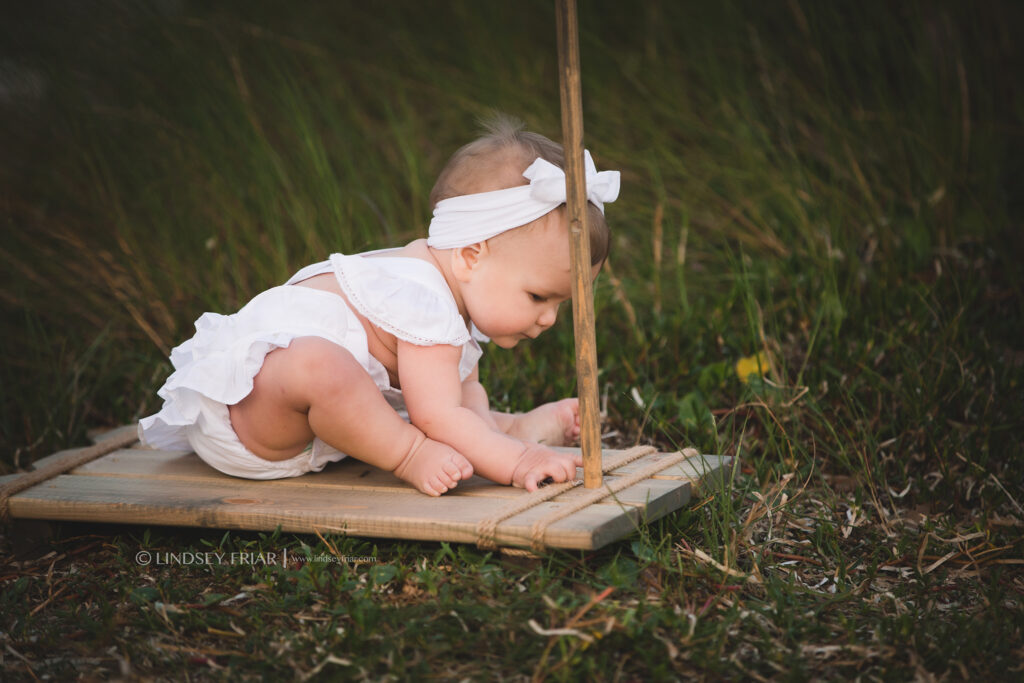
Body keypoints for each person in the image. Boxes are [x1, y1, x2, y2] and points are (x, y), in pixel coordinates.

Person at [138, 116, 620, 496]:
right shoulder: (424, 299)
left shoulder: (443, 291)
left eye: (561, 303)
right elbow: (437, 418)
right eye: (539, 296)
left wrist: (495, 437)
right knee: (324, 367)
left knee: (452, 397)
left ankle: (515, 428)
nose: (550, 318)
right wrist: (517, 465)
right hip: (252, 429)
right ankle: (414, 455)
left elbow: (456, 406)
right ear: (472, 255)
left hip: (316, 427)